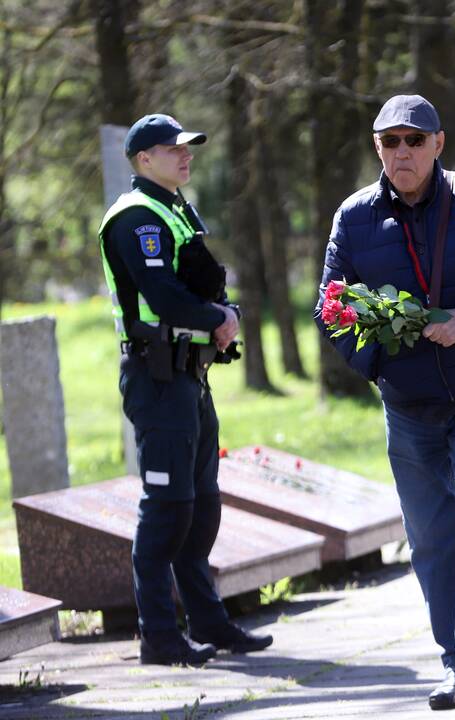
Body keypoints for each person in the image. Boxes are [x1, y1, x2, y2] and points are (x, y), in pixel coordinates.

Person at [315, 94, 455, 710]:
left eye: (415, 139)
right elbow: (330, 309)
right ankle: (453, 660)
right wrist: (380, 362)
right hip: (407, 407)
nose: (403, 152)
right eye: (391, 142)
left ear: (439, 144)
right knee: (432, 537)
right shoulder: (354, 217)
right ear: (377, 149)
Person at [99, 113, 272, 665]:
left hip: (190, 376)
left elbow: (199, 284)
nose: (186, 155)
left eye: (188, 148)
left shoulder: (176, 211)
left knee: (201, 509)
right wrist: (218, 316)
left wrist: (223, 314)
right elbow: (164, 295)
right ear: (143, 159)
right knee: (168, 510)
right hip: (158, 377)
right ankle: (160, 636)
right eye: (174, 149)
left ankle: (210, 624)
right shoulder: (135, 218)